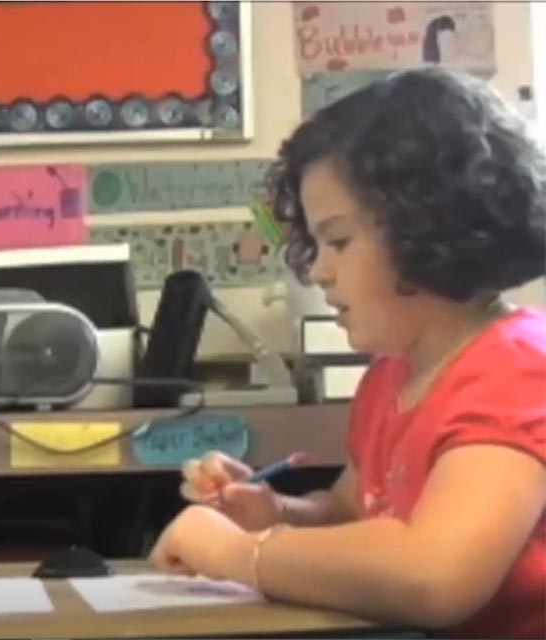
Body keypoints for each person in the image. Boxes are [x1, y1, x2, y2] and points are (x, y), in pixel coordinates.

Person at [149, 66, 545, 638]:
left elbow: (435, 577)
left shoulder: (515, 368)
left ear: (429, 226)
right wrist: (276, 512)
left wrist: (244, 553)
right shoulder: (392, 375)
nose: (318, 270)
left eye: (339, 241)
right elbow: (353, 515)